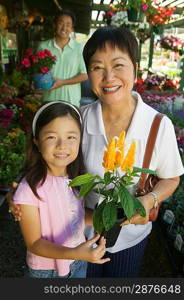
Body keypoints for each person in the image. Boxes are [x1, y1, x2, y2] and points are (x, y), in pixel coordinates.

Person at [9, 27, 184, 277]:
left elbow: (171, 178)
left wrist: (150, 200)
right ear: (89, 74)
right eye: (97, 67)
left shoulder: (157, 125)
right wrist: (24, 198)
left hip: (129, 238)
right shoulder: (78, 120)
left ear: (135, 68)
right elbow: (52, 167)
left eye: (118, 65)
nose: (108, 76)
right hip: (77, 236)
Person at [12, 101, 110, 278]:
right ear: (36, 141)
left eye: (71, 137)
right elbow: (34, 243)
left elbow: (75, 217)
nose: (62, 145)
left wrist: (107, 217)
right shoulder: (29, 189)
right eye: (51, 137)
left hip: (78, 263)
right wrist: (75, 253)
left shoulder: (76, 179)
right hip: (46, 271)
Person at [37, 10, 88, 106]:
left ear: (72, 28)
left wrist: (63, 82)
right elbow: (37, 72)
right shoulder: (43, 46)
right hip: (49, 100)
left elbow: (85, 74)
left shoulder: (78, 48)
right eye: (61, 23)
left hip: (71, 101)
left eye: (68, 24)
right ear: (55, 24)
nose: (64, 27)